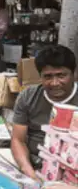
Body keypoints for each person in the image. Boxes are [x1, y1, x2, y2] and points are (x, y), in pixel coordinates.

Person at [11, 45, 78, 180]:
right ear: (40, 76)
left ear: (74, 73)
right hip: (33, 160)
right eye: (48, 76)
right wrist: (27, 170)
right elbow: (18, 139)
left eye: (61, 75)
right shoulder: (28, 96)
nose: (54, 83)